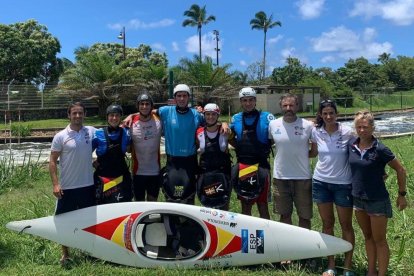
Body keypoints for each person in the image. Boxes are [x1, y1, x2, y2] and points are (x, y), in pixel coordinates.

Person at [124, 84, 229, 204]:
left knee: (189, 196)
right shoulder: (165, 111)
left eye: (185, 96)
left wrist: (224, 123)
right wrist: (131, 115)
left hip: (190, 161)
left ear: (188, 97)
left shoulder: (196, 114)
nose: (182, 99)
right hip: (173, 162)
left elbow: (212, 119)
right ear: (175, 98)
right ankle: (172, 222)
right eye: (179, 96)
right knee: (171, 196)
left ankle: (189, 221)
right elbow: (146, 111)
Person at [349, 110, 407, 276]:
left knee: (379, 240)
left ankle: (381, 273)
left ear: (372, 128)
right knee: (367, 236)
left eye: (365, 127)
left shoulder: (380, 148)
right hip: (358, 199)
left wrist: (401, 194)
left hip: (377, 200)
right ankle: (371, 271)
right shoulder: (351, 145)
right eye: (359, 127)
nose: (362, 130)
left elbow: (401, 170)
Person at [311, 100, 355, 276]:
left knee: (346, 225)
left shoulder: (348, 132)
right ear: (321, 115)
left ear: (337, 114)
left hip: (343, 184)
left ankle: (347, 266)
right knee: (327, 224)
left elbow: (362, 148)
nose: (328, 116)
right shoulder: (316, 131)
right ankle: (330, 264)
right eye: (325, 113)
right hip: (321, 182)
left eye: (331, 113)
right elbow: (311, 149)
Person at [49, 102, 96, 265]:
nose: (77, 116)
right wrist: (56, 184)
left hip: (88, 186)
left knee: (89, 221)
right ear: (68, 115)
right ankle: (66, 253)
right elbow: (53, 161)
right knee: (63, 221)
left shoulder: (91, 131)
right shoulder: (60, 136)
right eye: (74, 113)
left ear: (84, 114)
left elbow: (110, 131)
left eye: (80, 113)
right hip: (67, 188)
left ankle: (90, 251)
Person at [268, 93, 317, 229]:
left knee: (305, 217)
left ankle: (305, 246)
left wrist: (300, 155)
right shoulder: (273, 124)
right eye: (285, 105)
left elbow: (314, 151)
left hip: (303, 178)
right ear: (281, 107)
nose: (288, 108)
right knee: (284, 216)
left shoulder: (308, 125)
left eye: (291, 105)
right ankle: (287, 248)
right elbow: (270, 143)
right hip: (280, 178)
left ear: (297, 106)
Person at [229, 87, 274, 219]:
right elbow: (229, 136)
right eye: (244, 100)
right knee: (246, 206)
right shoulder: (236, 118)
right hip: (244, 167)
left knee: (263, 205)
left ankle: (266, 238)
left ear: (255, 101)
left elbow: (279, 131)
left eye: (250, 100)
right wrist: (238, 147)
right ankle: (246, 239)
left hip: (261, 167)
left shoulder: (267, 117)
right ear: (241, 102)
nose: (247, 103)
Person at [92, 104, 132, 204]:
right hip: (103, 178)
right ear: (107, 117)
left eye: (117, 115)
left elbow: (131, 149)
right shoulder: (98, 134)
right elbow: (85, 152)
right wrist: (92, 162)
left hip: (121, 177)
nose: (114, 118)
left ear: (121, 117)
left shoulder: (126, 133)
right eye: (111, 115)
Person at [196, 103, 232, 210]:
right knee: (208, 207)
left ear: (218, 115)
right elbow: (195, 147)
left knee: (223, 207)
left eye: (213, 114)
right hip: (206, 174)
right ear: (204, 115)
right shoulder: (199, 132)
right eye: (207, 114)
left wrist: (225, 124)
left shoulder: (225, 131)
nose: (210, 117)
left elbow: (236, 142)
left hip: (223, 174)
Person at [130, 93, 163, 201]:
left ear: (151, 106)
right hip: (138, 173)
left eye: (147, 104)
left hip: (155, 172)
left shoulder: (159, 119)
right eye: (142, 104)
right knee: (139, 206)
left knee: (152, 206)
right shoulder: (130, 122)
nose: (144, 107)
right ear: (137, 106)